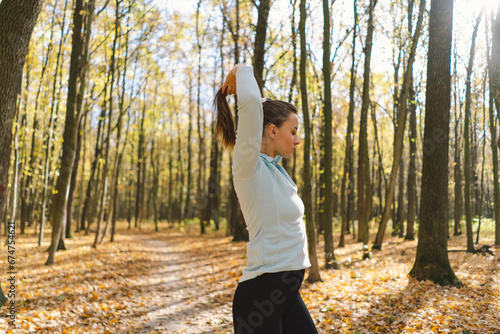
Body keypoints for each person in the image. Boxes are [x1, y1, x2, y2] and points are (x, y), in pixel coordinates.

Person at [213, 64, 318, 334]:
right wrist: (240, 71)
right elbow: (249, 104)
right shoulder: (249, 166)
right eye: (293, 131)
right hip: (260, 297)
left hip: (285, 293)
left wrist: (262, 102)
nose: (298, 140)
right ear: (272, 131)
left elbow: (256, 106)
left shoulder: (276, 171)